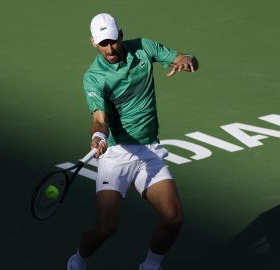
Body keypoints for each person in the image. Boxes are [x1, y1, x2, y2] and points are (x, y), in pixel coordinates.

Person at [67, 13, 198, 270]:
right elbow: (99, 117)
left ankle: (150, 266)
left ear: (121, 35)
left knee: (173, 217)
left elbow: (184, 57)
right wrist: (98, 135)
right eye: (103, 43)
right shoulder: (94, 77)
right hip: (116, 154)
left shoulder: (143, 48)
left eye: (113, 41)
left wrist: (187, 60)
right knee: (106, 228)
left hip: (148, 150)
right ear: (94, 42)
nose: (110, 48)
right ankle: (77, 261)